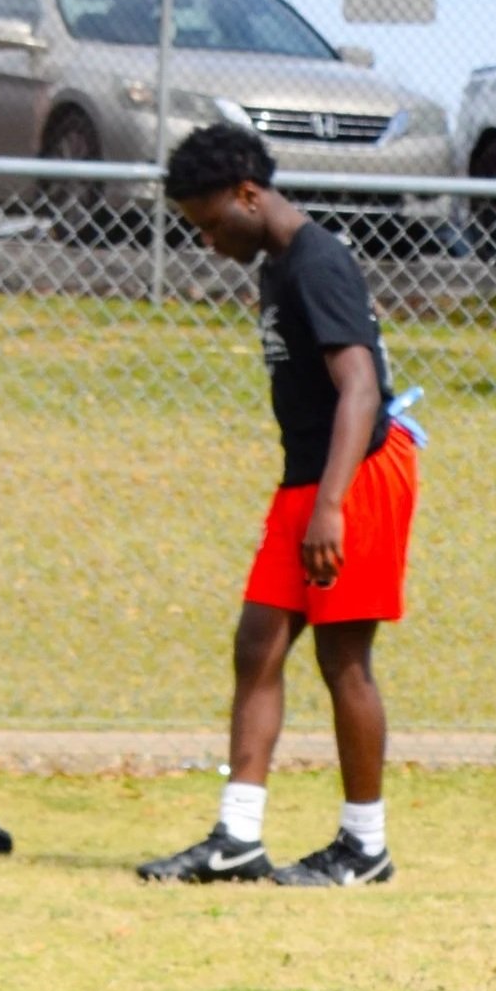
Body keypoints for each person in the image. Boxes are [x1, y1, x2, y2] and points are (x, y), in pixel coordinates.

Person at [138, 124, 414, 889]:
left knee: (342, 659)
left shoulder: (317, 262)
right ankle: (238, 837)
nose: (206, 239)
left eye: (209, 222)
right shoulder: (276, 266)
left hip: (353, 476)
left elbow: (359, 387)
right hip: (309, 477)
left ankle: (365, 845)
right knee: (257, 641)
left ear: (248, 195)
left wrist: (329, 506)